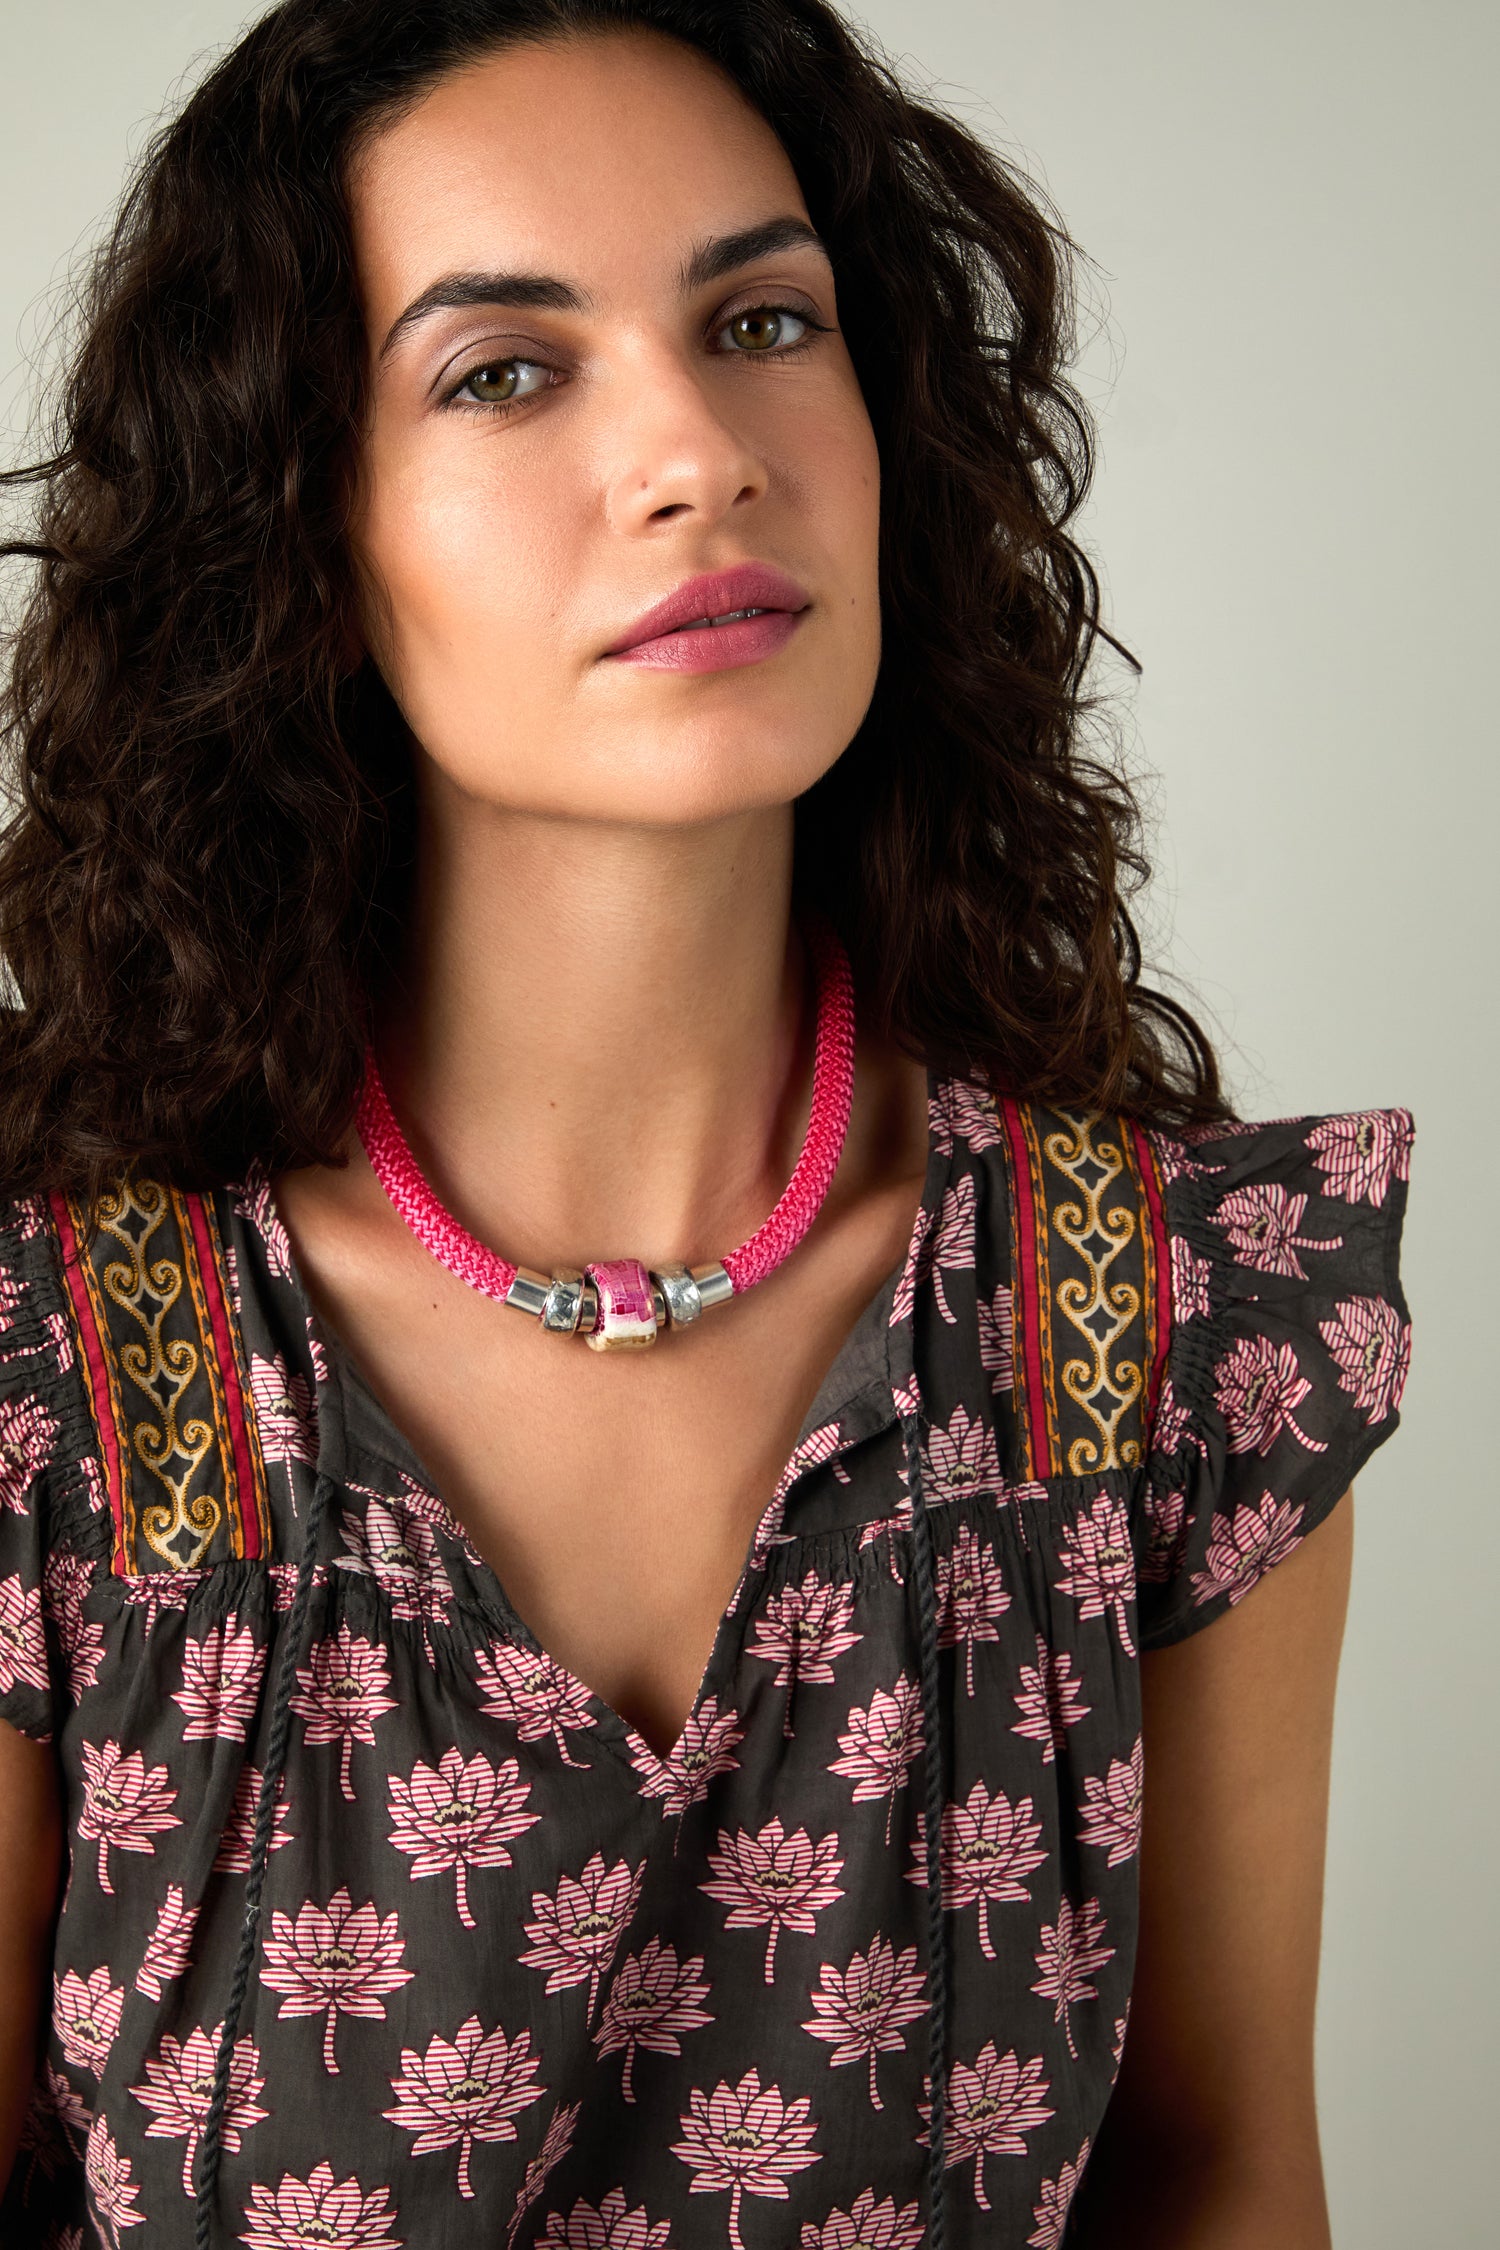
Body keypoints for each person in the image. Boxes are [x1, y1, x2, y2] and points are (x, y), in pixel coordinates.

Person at [0, 2, 1413, 2245]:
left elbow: (1224, 2181)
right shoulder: (47, 1388)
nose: (699, 448)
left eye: (764, 321)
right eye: (504, 369)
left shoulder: (1173, 1329)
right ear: (297, 524)